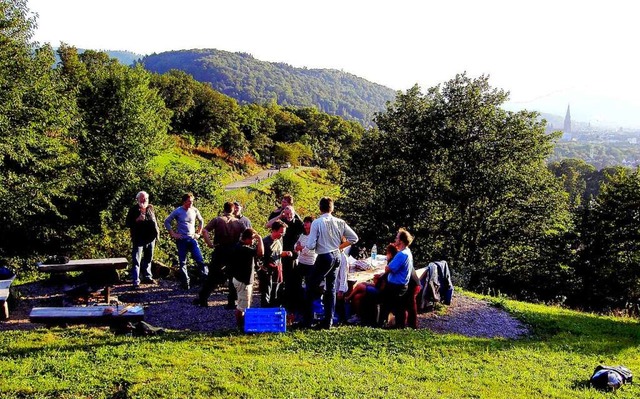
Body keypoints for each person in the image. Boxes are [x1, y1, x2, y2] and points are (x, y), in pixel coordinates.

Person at [304, 197, 358, 329]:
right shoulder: (340, 222)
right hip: (336, 255)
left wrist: (317, 243)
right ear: (332, 208)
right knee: (331, 288)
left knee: (310, 286)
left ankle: (308, 320)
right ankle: (328, 321)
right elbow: (354, 238)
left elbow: (310, 245)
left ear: (320, 208)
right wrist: (340, 246)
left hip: (324, 255)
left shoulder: (317, 222)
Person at [195, 202, 244, 308]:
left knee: (213, 276)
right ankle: (232, 302)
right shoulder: (239, 222)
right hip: (234, 251)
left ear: (224, 209)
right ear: (233, 210)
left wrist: (210, 244)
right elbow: (248, 234)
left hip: (220, 249)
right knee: (233, 277)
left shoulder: (218, 220)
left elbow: (205, 231)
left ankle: (203, 299)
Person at [266, 205, 304, 321]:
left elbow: (306, 231)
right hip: (281, 251)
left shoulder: (298, 223)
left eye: (290, 214)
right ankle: (279, 300)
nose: (288, 216)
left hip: (293, 253)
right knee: (281, 278)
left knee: (293, 278)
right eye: (286, 214)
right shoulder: (281, 221)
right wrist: (280, 215)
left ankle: (292, 301)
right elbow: (268, 225)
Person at [164, 193, 208, 290]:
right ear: (184, 202)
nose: (191, 203)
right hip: (182, 239)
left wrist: (199, 233)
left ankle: (206, 280)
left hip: (192, 239)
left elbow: (201, 220)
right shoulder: (178, 211)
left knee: (199, 259)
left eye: (192, 201)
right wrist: (173, 234)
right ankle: (185, 282)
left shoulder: (194, 210)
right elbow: (167, 221)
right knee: (183, 262)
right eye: (189, 201)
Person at [345, 244, 397, 325]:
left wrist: (378, 278)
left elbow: (385, 280)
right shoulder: (391, 262)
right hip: (382, 286)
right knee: (360, 288)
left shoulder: (392, 264)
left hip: (383, 290)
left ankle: (348, 299)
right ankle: (356, 311)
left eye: (387, 253)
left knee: (359, 289)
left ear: (390, 253)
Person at [379, 228, 415, 328]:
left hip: (395, 286)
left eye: (397, 238)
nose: (395, 239)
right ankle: (398, 325)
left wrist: (388, 261)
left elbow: (389, 269)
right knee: (399, 308)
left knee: (385, 304)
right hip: (402, 285)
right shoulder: (407, 252)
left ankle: (381, 324)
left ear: (401, 241)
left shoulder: (401, 254)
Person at [125, 191, 160, 289]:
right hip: (138, 238)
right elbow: (127, 223)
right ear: (138, 199)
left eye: (146, 198)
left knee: (148, 259)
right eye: (142, 198)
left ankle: (147, 277)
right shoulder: (133, 210)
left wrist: (157, 234)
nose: (144, 200)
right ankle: (136, 281)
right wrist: (137, 220)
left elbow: (156, 222)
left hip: (150, 238)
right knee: (136, 260)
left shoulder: (150, 209)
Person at [230, 228, 264, 329]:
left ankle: (243, 325)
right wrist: (260, 239)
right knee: (242, 307)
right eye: (253, 239)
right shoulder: (243, 249)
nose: (253, 242)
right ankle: (241, 327)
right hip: (243, 282)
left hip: (239, 279)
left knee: (243, 304)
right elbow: (260, 253)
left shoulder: (238, 246)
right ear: (248, 238)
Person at [258, 220, 291, 307]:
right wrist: (262, 268)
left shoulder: (279, 240)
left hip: (277, 269)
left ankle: (274, 308)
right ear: (274, 230)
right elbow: (259, 257)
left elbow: (279, 253)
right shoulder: (265, 242)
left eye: (283, 233)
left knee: (276, 292)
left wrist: (286, 253)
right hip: (267, 271)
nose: (282, 234)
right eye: (281, 232)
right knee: (266, 292)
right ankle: (265, 310)